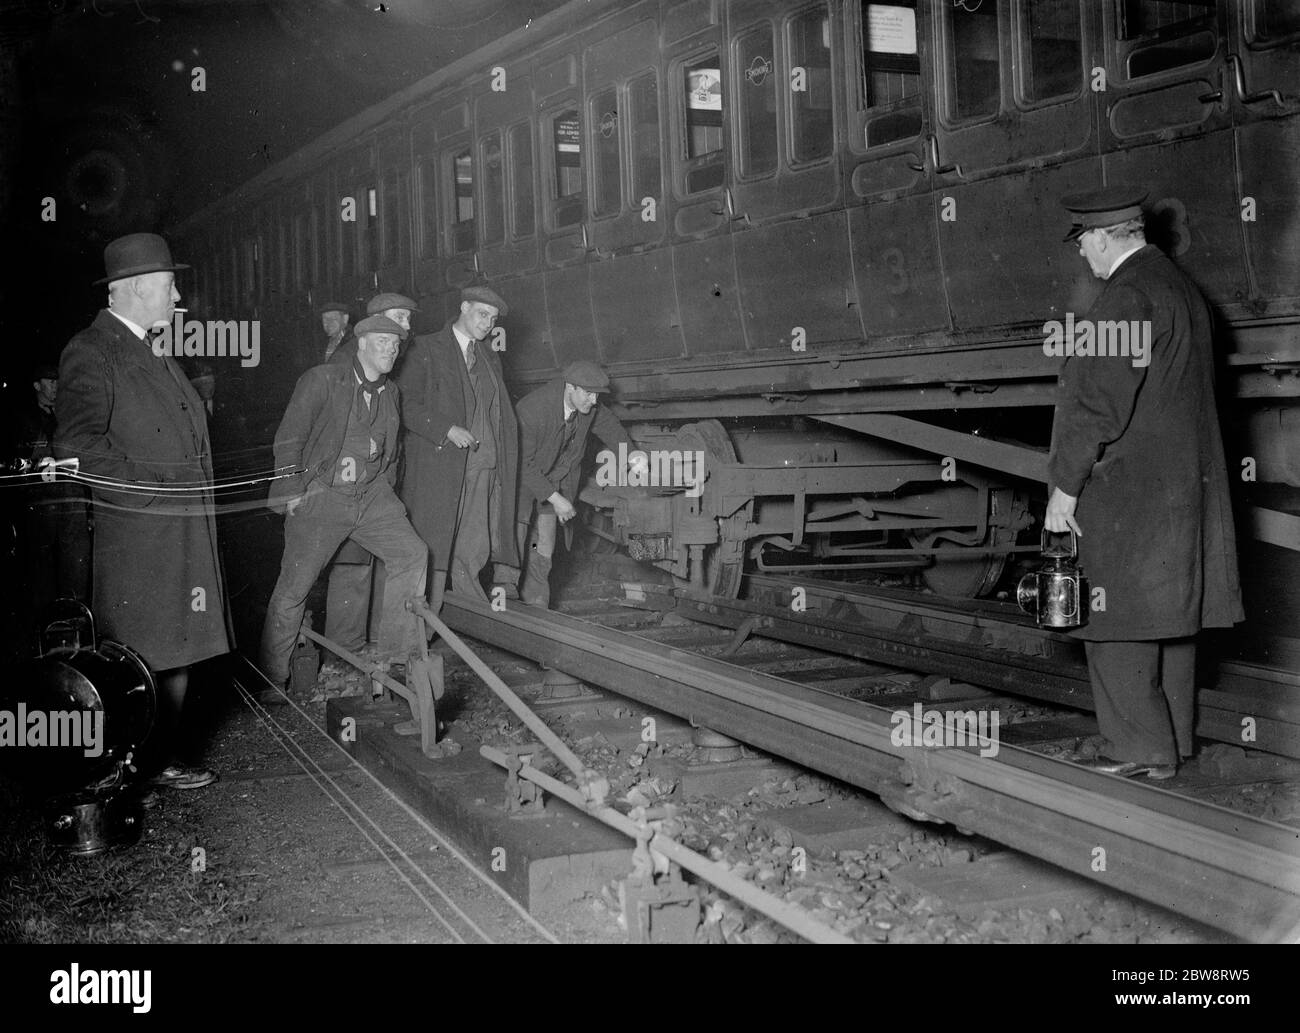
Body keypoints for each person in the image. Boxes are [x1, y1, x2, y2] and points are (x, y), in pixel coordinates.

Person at [1045, 186, 1243, 780]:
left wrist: (1065, 486)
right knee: (1170, 613)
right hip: (1183, 486)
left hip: (1129, 489)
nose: (1083, 255)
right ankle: (1172, 741)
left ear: (1104, 237)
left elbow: (1094, 404)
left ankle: (1136, 747)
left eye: (1084, 243)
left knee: (1114, 613)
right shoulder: (1182, 289)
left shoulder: (1125, 296)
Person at [55, 232, 232, 790]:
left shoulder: (151, 345)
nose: (179, 298)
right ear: (132, 289)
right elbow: (77, 447)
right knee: (143, 653)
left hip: (176, 531)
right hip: (142, 533)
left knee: (175, 647)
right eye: (169, 286)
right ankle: (129, 767)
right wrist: (153, 489)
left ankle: (160, 759)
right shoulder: (93, 348)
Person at [260, 315, 427, 688]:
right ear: (362, 342)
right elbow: (290, 438)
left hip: (370, 497)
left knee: (412, 553)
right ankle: (272, 678)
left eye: (396, 344)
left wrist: (387, 493)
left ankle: (396, 660)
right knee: (295, 588)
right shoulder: (323, 379)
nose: (391, 350)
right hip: (324, 496)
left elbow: (391, 452)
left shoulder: (391, 393)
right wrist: (291, 492)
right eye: (383, 341)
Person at [397, 285, 519, 607]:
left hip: (481, 461)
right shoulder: (424, 348)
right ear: (463, 307)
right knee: (432, 542)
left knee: (474, 541)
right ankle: (420, 620)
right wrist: (445, 428)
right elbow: (404, 404)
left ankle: (468, 608)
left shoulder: (490, 357)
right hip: (440, 465)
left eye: (493, 319)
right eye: (482, 314)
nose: (488, 324)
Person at [322, 292, 418, 651]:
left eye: (408, 320)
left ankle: (374, 641)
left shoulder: (395, 355)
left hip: (381, 475)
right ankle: (344, 647)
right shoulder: (350, 362)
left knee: (383, 557)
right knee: (351, 561)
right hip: (350, 481)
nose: (405, 327)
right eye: (398, 318)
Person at [514, 361, 638, 607]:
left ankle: (537, 615)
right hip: (522, 492)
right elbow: (522, 464)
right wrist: (556, 498)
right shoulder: (532, 409)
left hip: (554, 489)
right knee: (514, 554)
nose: (593, 401)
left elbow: (611, 428)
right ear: (570, 387)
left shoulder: (588, 407)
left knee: (543, 553)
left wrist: (634, 456)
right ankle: (510, 613)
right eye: (588, 394)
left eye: (596, 395)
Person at [16, 363, 92, 621]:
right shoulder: (22, 419)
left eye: (58, 381)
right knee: (41, 569)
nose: (56, 387)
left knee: (76, 566)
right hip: (41, 503)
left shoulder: (70, 415)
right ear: (36, 385)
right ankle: (45, 626)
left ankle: (75, 620)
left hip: (72, 499)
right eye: (50, 382)